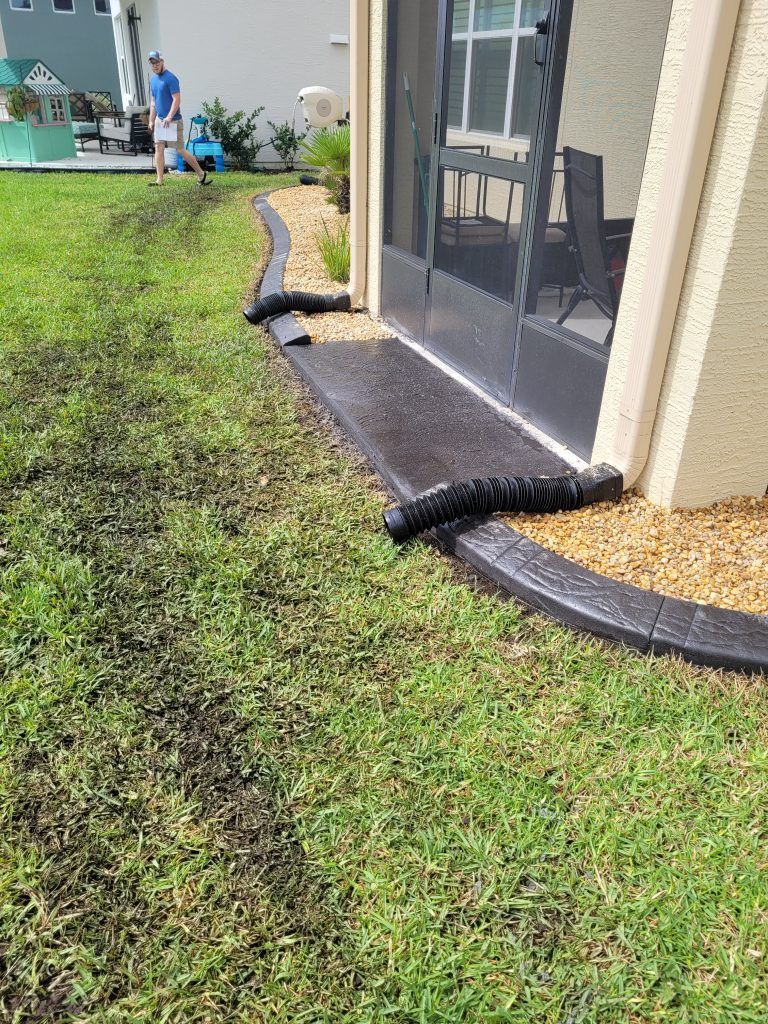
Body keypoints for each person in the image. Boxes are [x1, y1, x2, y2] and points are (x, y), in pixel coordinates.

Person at [147, 50, 211, 187]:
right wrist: (151, 121)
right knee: (158, 147)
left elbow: (177, 100)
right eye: (152, 64)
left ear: (162, 61)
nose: (155, 66)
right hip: (160, 120)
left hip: (173, 120)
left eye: (156, 62)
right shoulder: (153, 81)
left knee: (180, 150)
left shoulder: (171, 78)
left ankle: (201, 174)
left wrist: (169, 117)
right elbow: (153, 102)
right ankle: (159, 180)